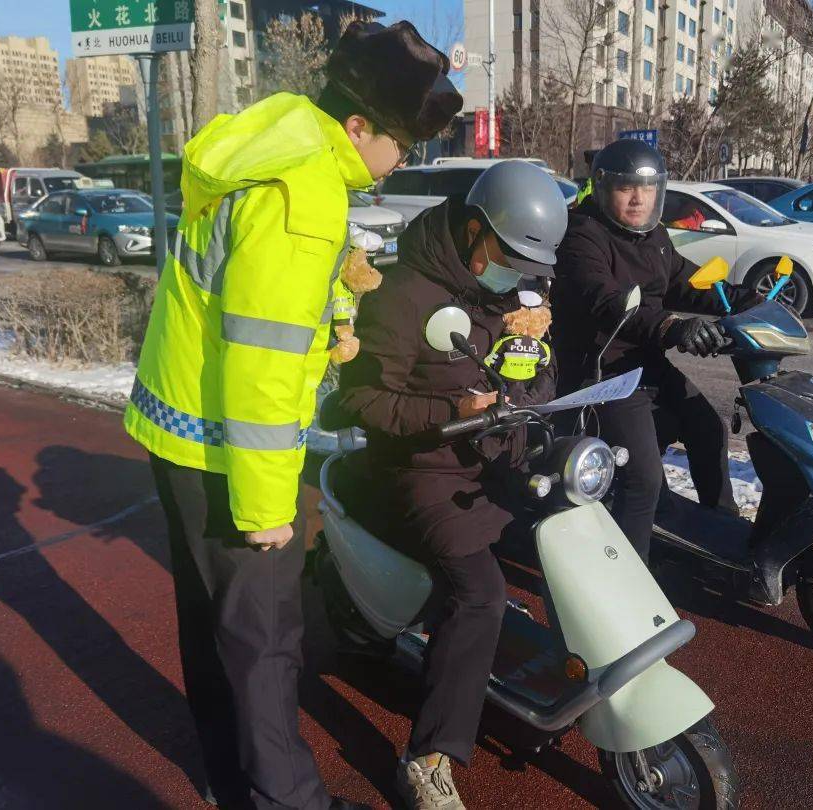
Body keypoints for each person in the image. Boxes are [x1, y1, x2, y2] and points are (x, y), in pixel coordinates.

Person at [123, 21, 462, 810]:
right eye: (402, 142)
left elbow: (247, 304)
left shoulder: (277, 142)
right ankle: (286, 802)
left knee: (212, 624)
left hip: (181, 429)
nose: (403, 159)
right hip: (229, 451)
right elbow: (261, 364)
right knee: (265, 640)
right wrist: (269, 506)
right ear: (358, 126)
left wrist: (333, 310)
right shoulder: (305, 194)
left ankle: (228, 779)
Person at [336, 161, 568, 810]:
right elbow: (358, 400)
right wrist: (450, 415)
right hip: (419, 468)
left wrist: (534, 366)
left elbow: (532, 382)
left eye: (530, 265)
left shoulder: (505, 296)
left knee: (569, 524)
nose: (519, 276)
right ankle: (427, 760)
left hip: (492, 460)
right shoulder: (402, 294)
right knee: (483, 595)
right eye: (511, 257)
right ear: (474, 232)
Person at [551, 139, 760, 563]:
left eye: (647, 190)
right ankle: (632, 574)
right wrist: (672, 327)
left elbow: (687, 282)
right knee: (642, 480)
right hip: (603, 374)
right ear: (604, 188)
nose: (638, 198)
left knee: (708, 429)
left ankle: (721, 532)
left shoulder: (655, 236)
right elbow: (606, 302)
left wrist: (743, 300)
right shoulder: (582, 236)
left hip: (645, 363)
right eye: (627, 188)